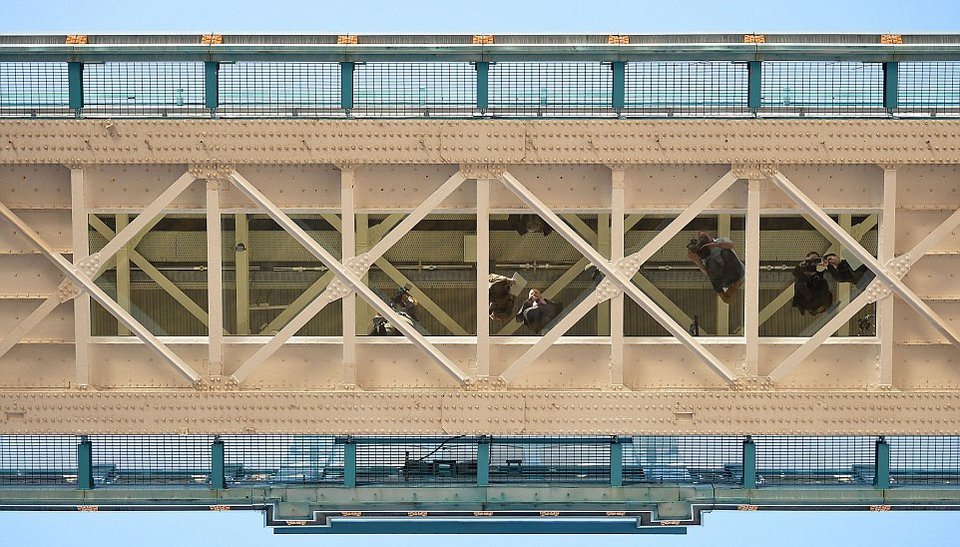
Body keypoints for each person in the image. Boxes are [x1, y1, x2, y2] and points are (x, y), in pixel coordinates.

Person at [686, 231, 745, 304]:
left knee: (725, 252)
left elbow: (731, 245)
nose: (703, 240)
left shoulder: (721, 240)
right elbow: (708, 272)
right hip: (723, 278)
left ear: (710, 235)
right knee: (711, 262)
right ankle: (722, 292)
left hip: (735, 271)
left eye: (704, 237)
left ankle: (732, 287)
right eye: (700, 238)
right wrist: (696, 261)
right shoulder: (703, 252)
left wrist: (716, 245)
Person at [792, 251, 833, 316]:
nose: (813, 263)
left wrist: (824, 267)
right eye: (810, 261)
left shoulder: (818, 276)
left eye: (816, 261)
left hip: (814, 299)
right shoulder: (800, 276)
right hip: (810, 299)